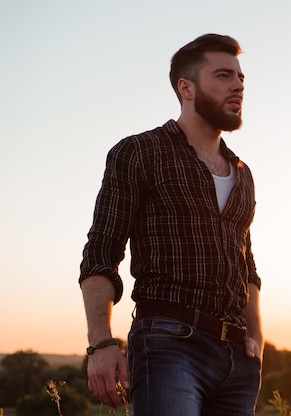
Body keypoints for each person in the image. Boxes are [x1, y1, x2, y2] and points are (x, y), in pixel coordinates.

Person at [79, 33, 263, 415]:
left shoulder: (242, 173)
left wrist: (256, 335)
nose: (239, 86)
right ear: (187, 87)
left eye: (241, 78)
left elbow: (247, 264)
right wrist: (101, 343)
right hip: (169, 345)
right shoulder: (139, 152)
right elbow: (100, 255)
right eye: (225, 76)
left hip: (238, 361)